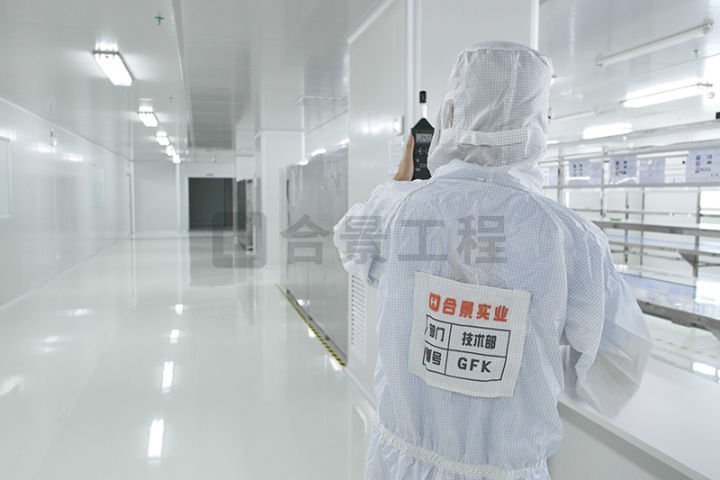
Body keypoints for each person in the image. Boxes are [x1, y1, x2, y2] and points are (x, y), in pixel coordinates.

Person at [333, 42, 652, 480]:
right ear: (539, 123)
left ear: (449, 114)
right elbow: (620, 363)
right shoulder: (570, 237)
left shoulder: (397, 207)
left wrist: (399, 180)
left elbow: (349, 243)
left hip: (399, 463)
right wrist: (536, 357)